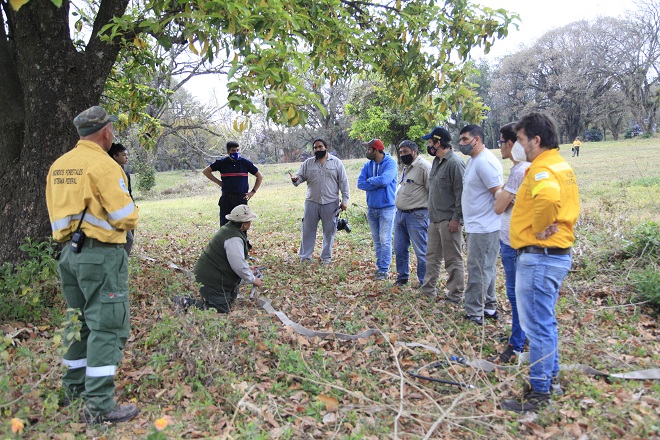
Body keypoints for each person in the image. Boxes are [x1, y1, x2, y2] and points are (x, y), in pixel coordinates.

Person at [46, 106, 139, 424]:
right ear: (106, 132)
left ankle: (72, 394)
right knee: (108, 326)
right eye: (112, 127)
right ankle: (99, 406)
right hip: (101, 255)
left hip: (69, 256)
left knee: (79, 324)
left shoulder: (59, 166)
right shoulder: (104, 165)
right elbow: (125, 216)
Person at [502, 113, 579, 413]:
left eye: (520, 140)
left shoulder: (543, 169)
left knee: (537, 327)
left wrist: (538, 227)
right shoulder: (561, 164)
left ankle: (539, 393)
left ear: (536, 140)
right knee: (545, 323)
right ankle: (552, 379)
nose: (517, 145)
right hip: (552, 256)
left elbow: (546, 199)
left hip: (540, 257)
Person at [491, 123, 531, 363]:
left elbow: (498, 206)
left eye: (503, 142)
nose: (501, 147)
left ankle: (517, 343)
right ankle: (522, 335)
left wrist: (503, 195)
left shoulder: (520, 171)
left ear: (512, 143)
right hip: (512, 239)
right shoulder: (524, 169)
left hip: (513, 242)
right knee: (519, 294)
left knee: (516, 294)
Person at [180, 205, 264, 313]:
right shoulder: (233, 238)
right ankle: (184, 302)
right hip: (210, 279)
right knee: (221, 310)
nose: (250, 224)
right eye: (249, 221)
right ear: (244, 223)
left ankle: (214, 298)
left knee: (229, 300)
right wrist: (253, 280)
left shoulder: (229, 229)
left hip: (213, 275)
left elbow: (233, 260)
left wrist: (249, 268)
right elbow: (238, 264)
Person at [459, 124, 503, 325]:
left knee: (479, 269)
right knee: (486, 268)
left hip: (485, 227)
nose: (461, 144)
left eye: (465, 140)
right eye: (461, 140)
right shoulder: (473, 161)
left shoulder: (486, 162)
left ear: (477, 139)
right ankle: (489, 306)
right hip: (476, 225)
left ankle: (474, 311)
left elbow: (499, 194)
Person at [419, 127, 465, 302]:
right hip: (434, 219)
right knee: (431, 257)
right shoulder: (437, 162)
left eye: (431, 142)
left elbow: (461, 193)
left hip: (449, 221)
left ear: (439, 143)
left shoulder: (455, 163)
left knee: (452, 259)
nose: (429, 146)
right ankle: (428, 291)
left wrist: (456, 218)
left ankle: (455, 295)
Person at [290, 139, 350, 264]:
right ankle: (305, 257)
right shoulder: (308, 163)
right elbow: (299, 178)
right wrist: (295, 179)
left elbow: (343, 182)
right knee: (308, 230)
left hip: (331, 203)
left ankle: (326, 258)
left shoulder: (336, 163)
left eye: (320, 147)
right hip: (312, 202)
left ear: (326, 147)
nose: (317, 149)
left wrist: (345, 200)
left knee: (329, 231)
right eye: (315, 147)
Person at [357, 139, 398, 280]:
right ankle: (380, 266)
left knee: (385, 239)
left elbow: (385, 180)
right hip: (372, 208)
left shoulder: (390, 163)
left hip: (387, 208)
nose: (367, 151)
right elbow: (360, 183)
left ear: (376, 150)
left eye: (369, 149)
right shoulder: (367, 165)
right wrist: (376, 182)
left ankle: (384, 270)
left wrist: (371, 181)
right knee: (377, 240)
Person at [393, 140, 431, 286]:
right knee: (400, 249)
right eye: (401, 152)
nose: (403, 154)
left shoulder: (424, 167)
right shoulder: (406, 167)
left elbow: (432, 192)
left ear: (415, 152)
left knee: (421, 251)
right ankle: (402, 277)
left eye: (406, 152)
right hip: (401, 214)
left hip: (417, 215)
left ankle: (425, 282)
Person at [203, 141, 263, 226]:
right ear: (228, 152)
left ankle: (242, 239)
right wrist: (219, 182)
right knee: (225, 224)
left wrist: (253, 192)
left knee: (242, 224)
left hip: (241, 198)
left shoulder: (245, 163)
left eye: (237, 150)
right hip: (226, 198)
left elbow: (260, 176)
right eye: (233, 150)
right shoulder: (221, 163)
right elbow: (206, 171)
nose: (236, 152)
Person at [108, 143, 134, 255]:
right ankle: (119, 262)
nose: (126, 157)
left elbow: (129, 192)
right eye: (123, 155)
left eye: (127, 155)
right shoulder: (109, 172)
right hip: (115, 212)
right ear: (115, 156)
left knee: (129, 237)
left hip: (127, 211)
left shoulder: (125, 173)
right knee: (128, 239)